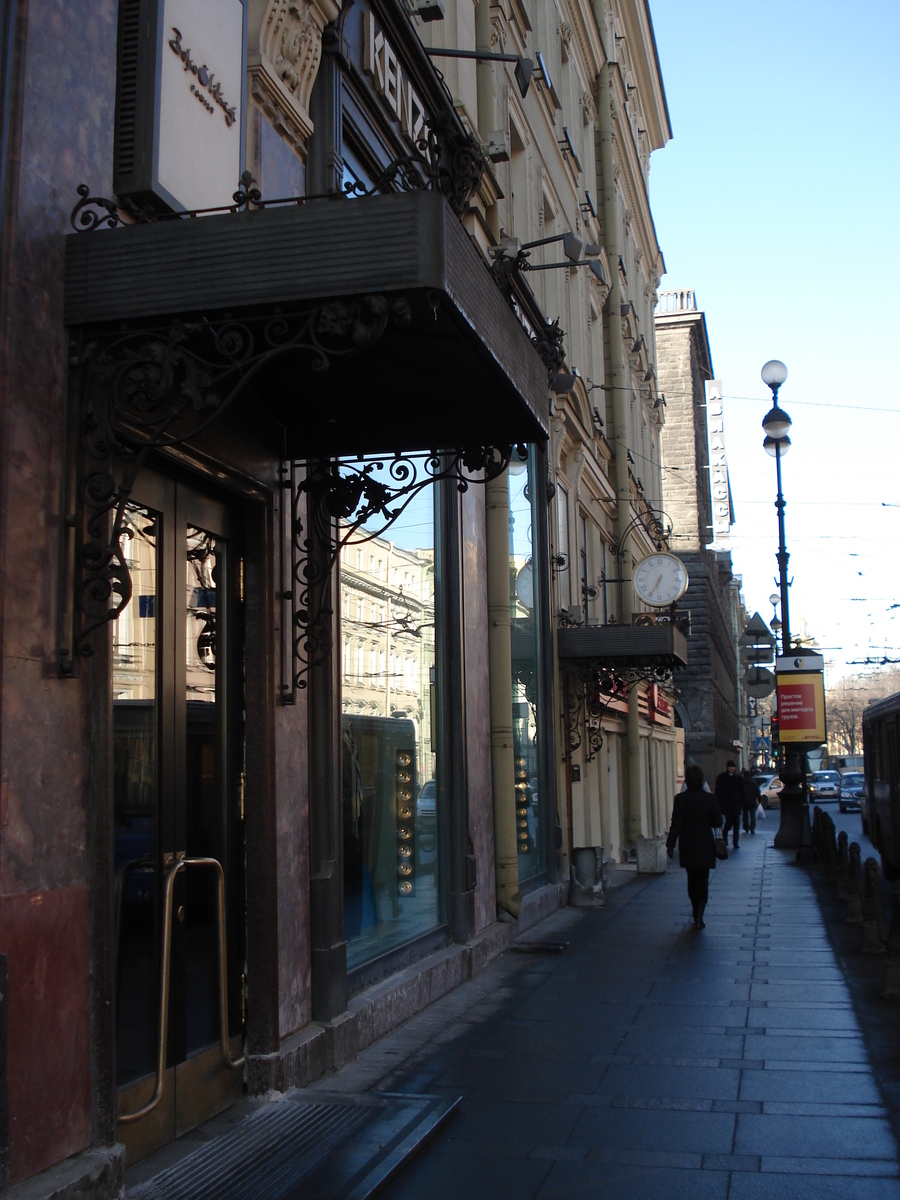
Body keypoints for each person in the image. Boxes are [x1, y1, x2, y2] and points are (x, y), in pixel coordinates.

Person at [666, 764, 723, 929]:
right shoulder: (710, 799)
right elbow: (717, 822)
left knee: (691, 879)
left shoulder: (680, 799)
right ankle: (700, 914)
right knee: (703, 880)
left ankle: (694, 909)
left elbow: (675, 824)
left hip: (688, 843)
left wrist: (670, 844)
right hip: (705, 842)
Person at [715, 760, 745, 849]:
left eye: (733, 767)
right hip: (726, 805)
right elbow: (718, 792)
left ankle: (735, 843)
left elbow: (742, 791)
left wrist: (742, 802)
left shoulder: (738, 778)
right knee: (729, 822)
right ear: (727, 767)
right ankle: (725, 834)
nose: (731, 768)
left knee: (736, 824)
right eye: (730, 767)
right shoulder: (722, 778)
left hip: (736, 805)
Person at [741, 767, 760, 835]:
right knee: (752, 816)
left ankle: (746, 827)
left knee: (745, 815)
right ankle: (752, 828)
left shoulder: (742, 782)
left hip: (744, 801)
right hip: (752, 801)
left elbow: (739, 792)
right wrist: (759, 799)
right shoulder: (754, 782)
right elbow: (757, 792)